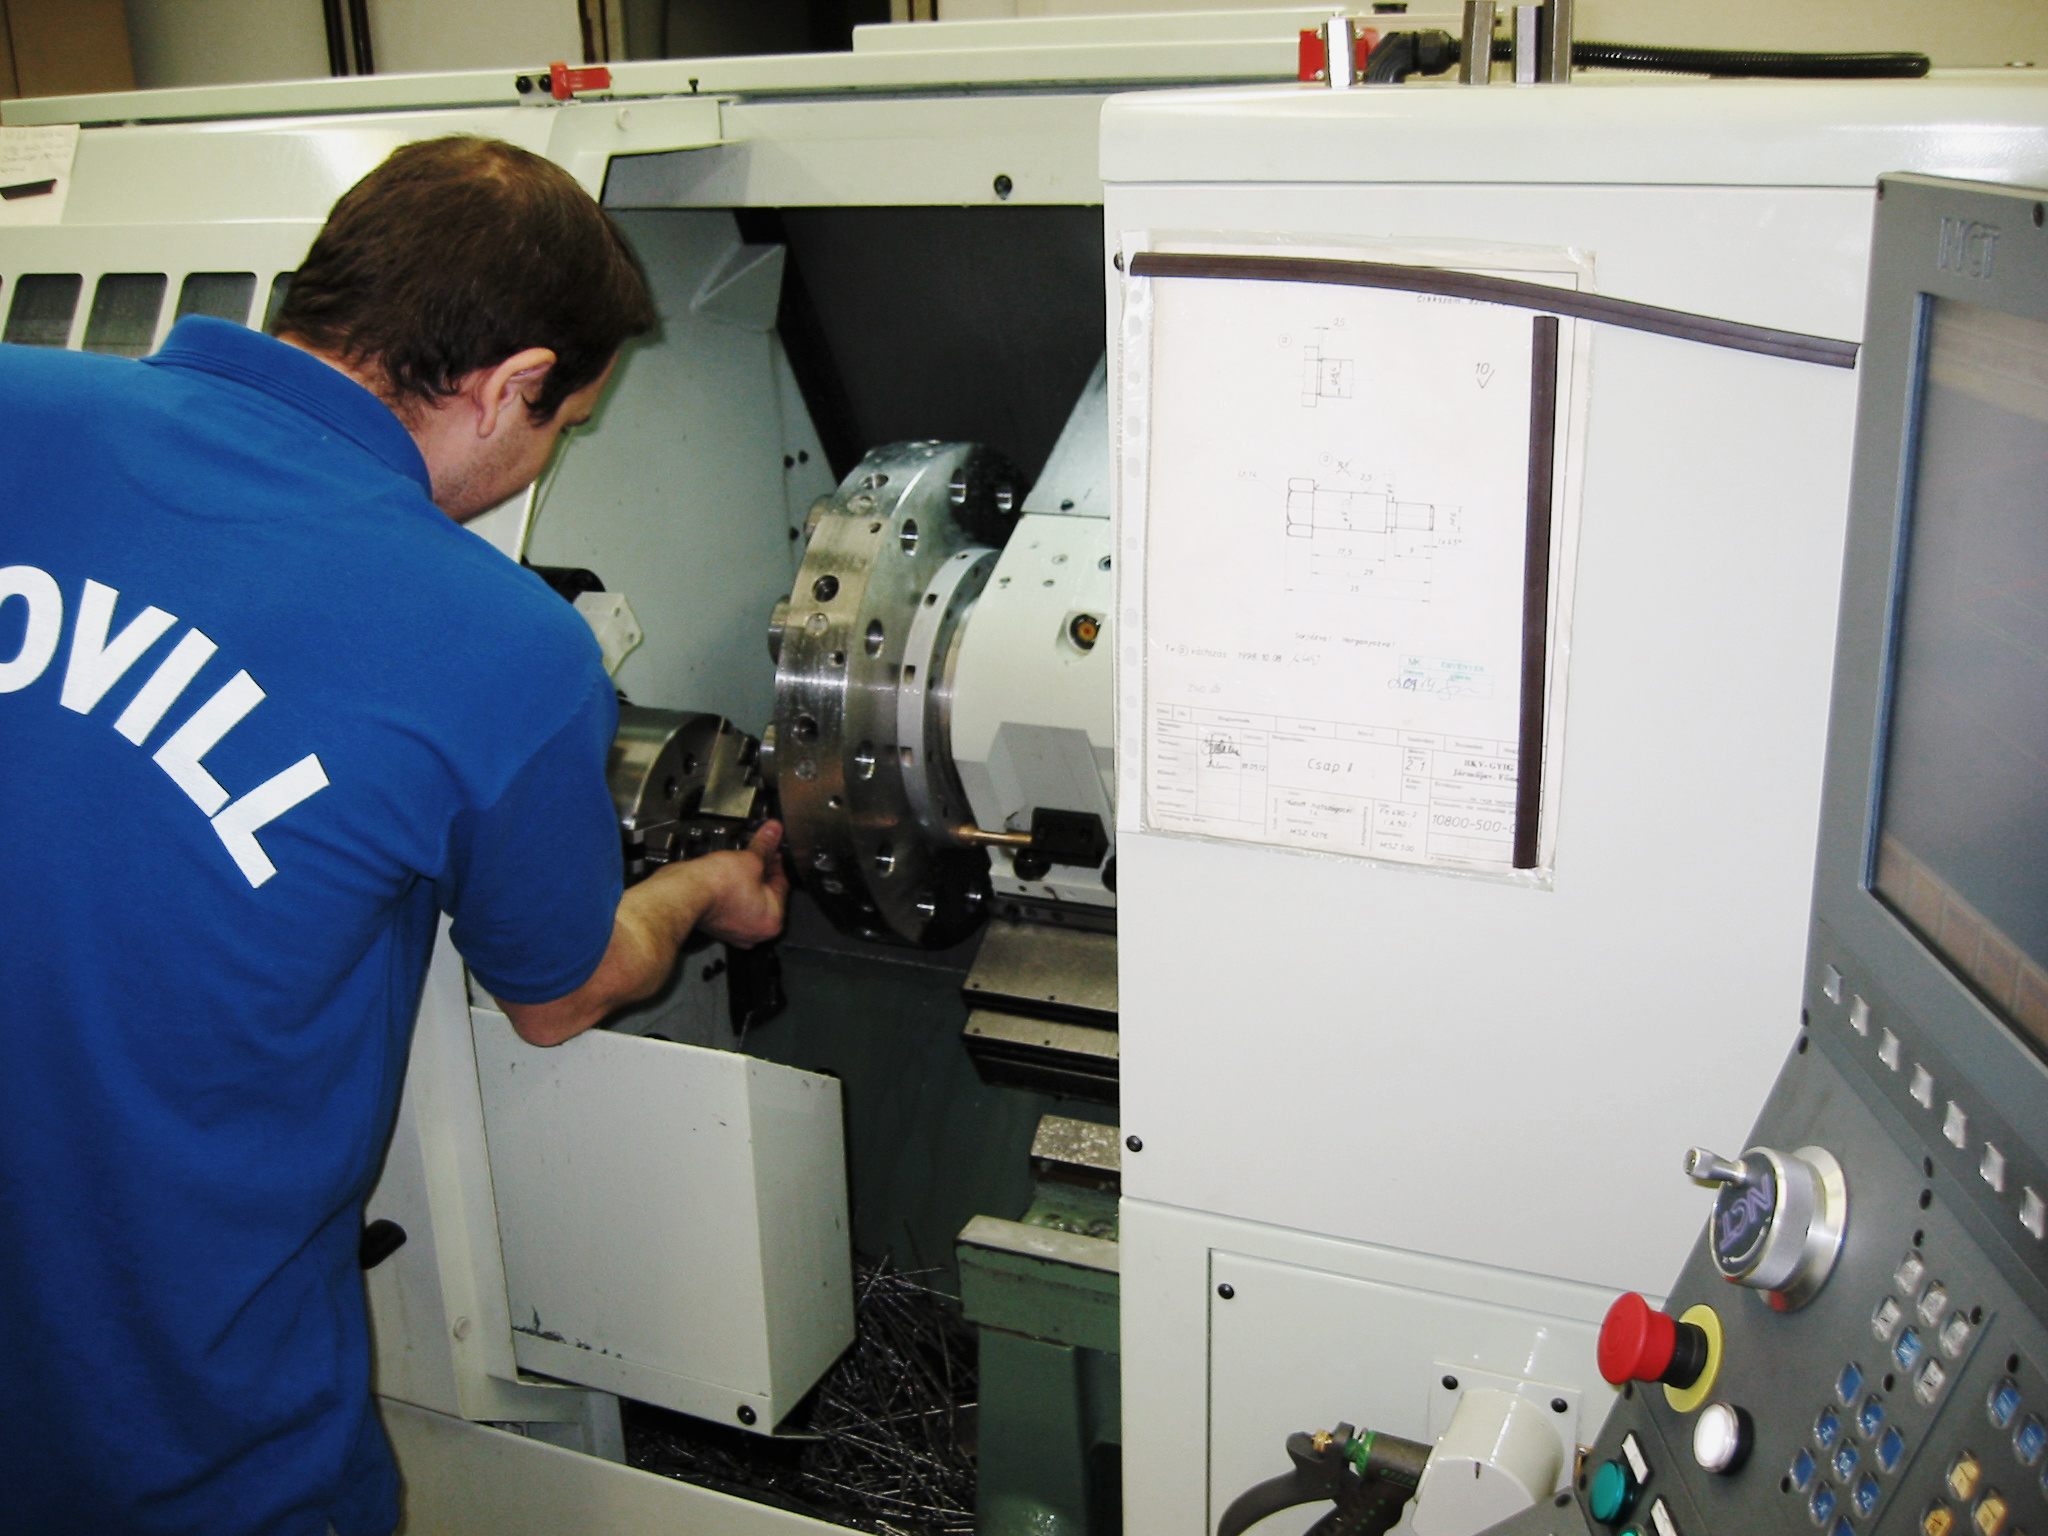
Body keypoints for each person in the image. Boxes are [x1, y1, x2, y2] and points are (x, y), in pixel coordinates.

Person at [0, 136, 787, 1535]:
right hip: (170, 1439)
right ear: (509, 384)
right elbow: (558, 993)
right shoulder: (500, 644)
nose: (544, 457)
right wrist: (702, 890)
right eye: (564, 425)